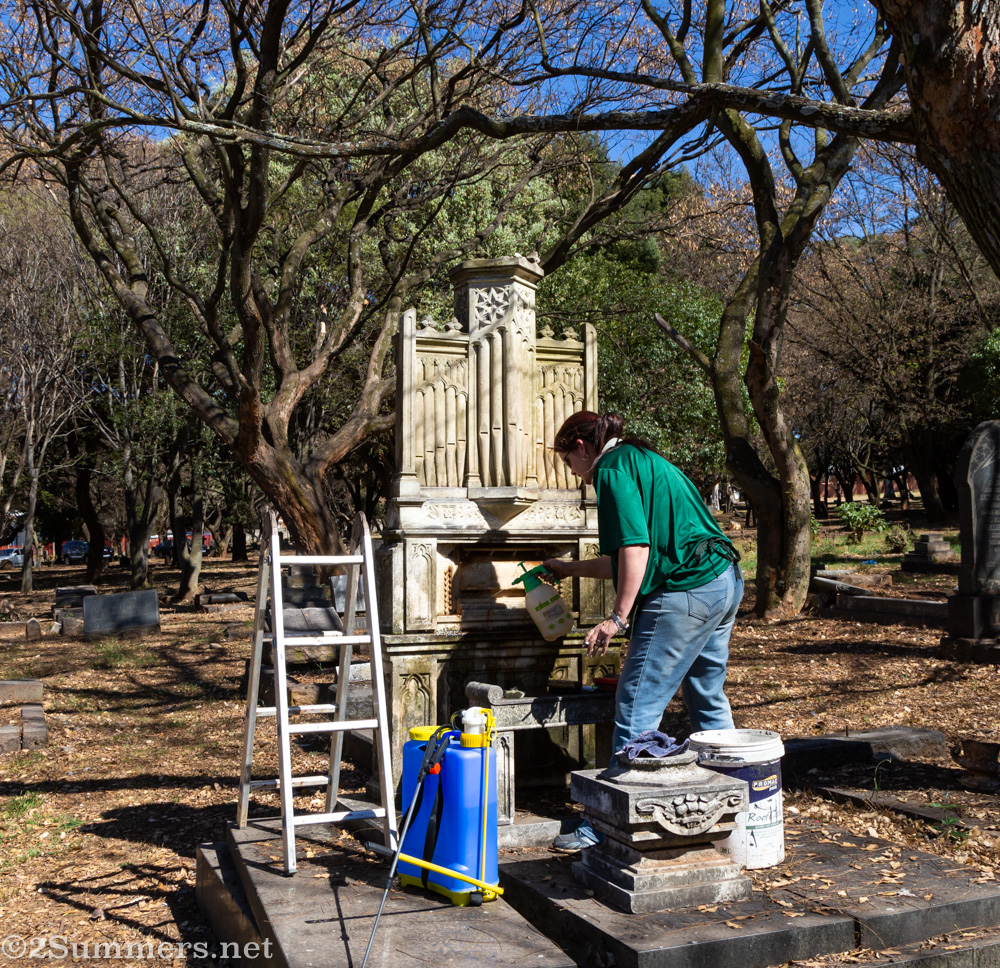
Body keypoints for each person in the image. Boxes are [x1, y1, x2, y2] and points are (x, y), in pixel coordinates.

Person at [543, 411, 743, 851]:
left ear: (581, 447)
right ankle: (737, 810)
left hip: (685, 592)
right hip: (722, 580)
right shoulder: (644, 459)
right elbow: (628, 558)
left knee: (635, 702)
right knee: (706, 697)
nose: (573, 473)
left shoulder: (611, 472)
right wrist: (570, 568)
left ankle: (608, 823)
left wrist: (617, 617)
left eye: (567, 462)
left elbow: (636, 548)